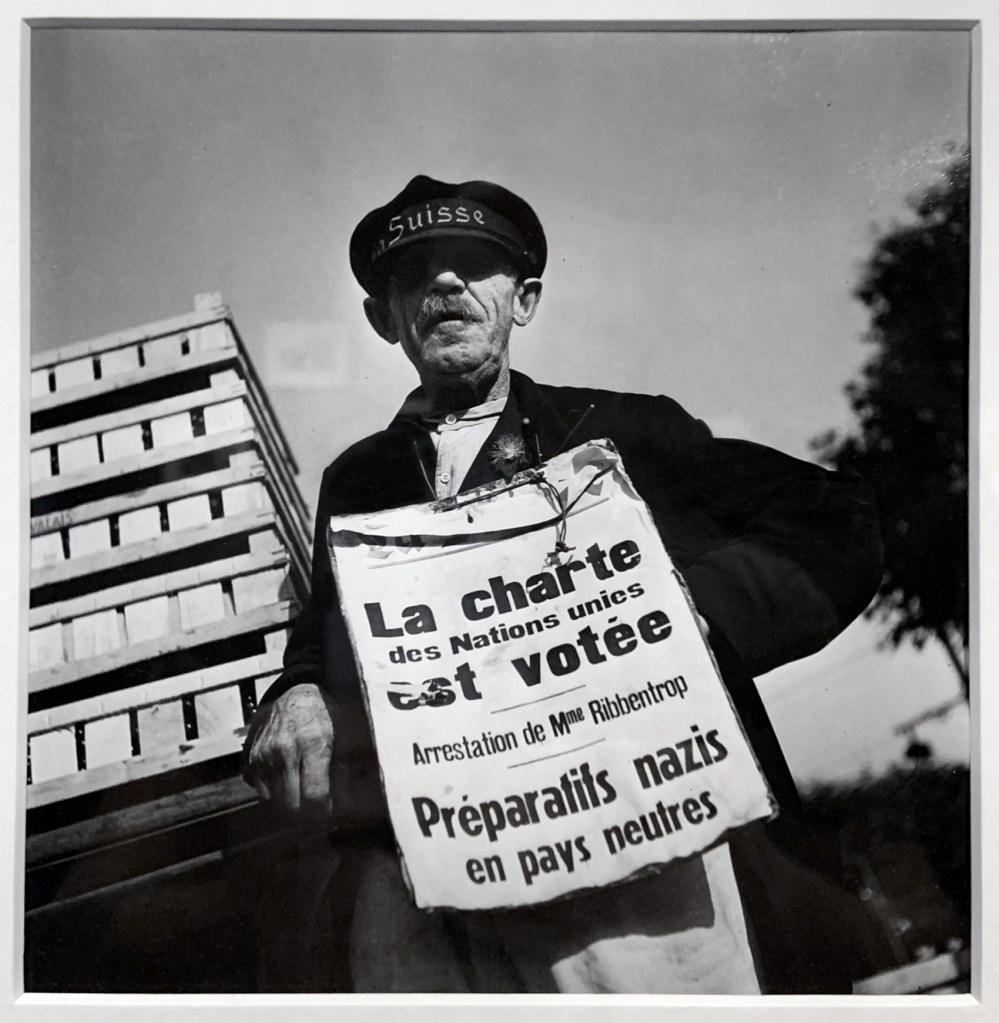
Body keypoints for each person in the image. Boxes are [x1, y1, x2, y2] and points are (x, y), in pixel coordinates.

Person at [243, 175, 884, 993]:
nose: (445, 281)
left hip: (636, 851)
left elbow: (829, 517)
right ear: (384, 317)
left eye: (473, 263)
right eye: (414, 272)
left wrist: (686, 610)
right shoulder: (358, 481)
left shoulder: (618, 430)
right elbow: (324, 637)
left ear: (524, 300)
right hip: (435, 873)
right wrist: (298, 690)